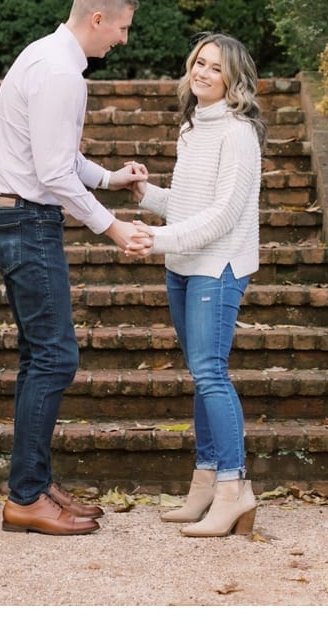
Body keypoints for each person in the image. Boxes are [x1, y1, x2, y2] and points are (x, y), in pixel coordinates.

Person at [0, 0, 152, 536]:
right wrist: (114, 228)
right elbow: (53, 172)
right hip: (26, 220)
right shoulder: (60, 72)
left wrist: (109, 177)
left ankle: (35, 483)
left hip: (16, 215)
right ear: (98, 19)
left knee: (40, 357)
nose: (124, 40)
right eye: (123, 28)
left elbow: (57, 156)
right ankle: (26, 496)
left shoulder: (48, 57)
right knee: (56, 358)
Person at [128, 32, 265, 538]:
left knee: (211, 372)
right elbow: (189, 206)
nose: (203, 72)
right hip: (183, 264)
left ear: (234, 79)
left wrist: (157, 239)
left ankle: (235, 488)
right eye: (198, 63)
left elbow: (225, 215)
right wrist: (148, 195)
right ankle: (205, 483)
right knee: (200, 373)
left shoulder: (238, 132)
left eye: (215, 67)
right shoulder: (193, 127)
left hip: (219, 265)